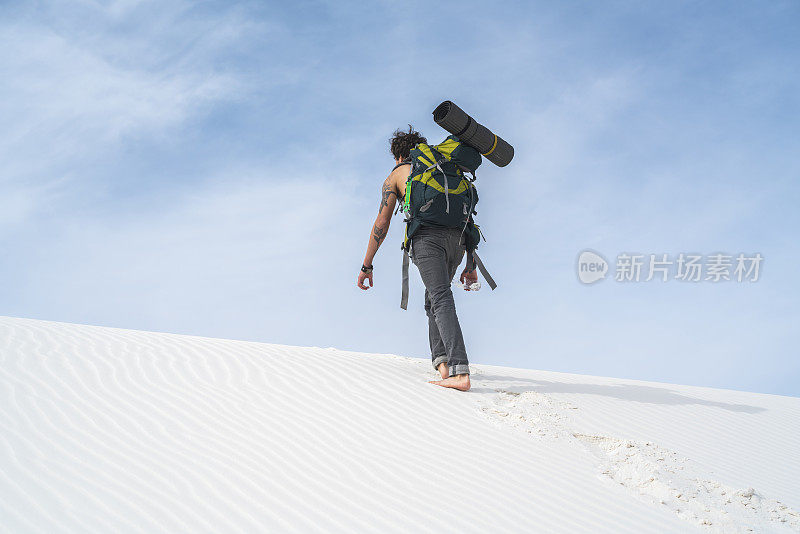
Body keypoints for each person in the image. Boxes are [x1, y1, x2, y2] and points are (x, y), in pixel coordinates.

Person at [356, 126, 476, 391]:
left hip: (427, 239)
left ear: (398, 156)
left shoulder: (398, 174)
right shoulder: (443, 167)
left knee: (440, 297)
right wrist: (471, 263)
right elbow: (467, 214)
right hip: (458, 241)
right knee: (433, 299)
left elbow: (382, 222)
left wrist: (367, 264)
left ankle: (459, 370)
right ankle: (444, 365)